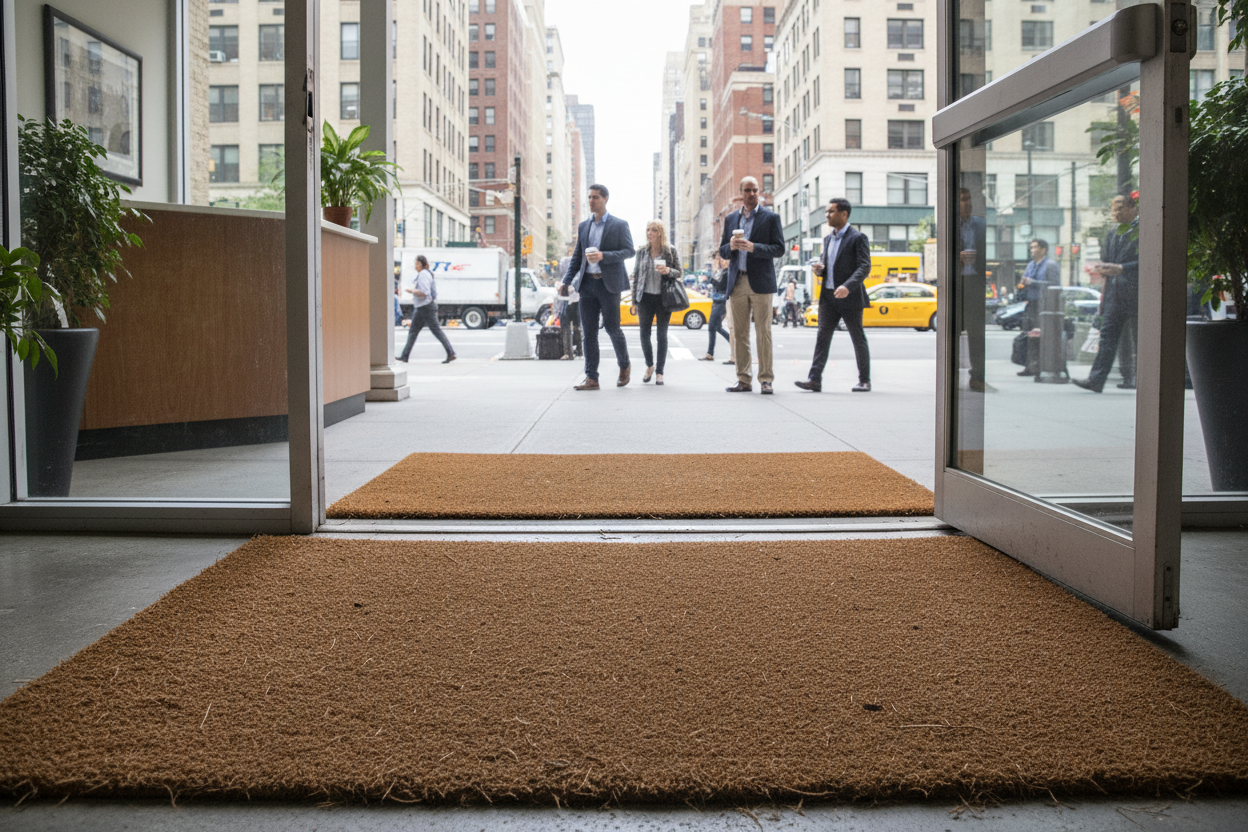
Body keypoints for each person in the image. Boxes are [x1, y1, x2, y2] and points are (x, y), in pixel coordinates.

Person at [560, 184, 634, 390]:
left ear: (605, 199)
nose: (591, 201)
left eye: (595, 197)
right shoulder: (584, 226)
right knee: (589, 333)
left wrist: (604, 256)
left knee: (612, 328)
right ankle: (592, 378)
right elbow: (577, 257)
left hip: (608, 284)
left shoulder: (619, 225)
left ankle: (624, 364)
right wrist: (566, 281)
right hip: (587, 285)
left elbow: (629, 251)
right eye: (589, 197)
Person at [795, 198, 872, 393]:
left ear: (844, 214)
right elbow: (828, 266)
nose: (827, 215)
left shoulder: (857, 237)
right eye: (827, 212)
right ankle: (814, 380)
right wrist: (820, 270)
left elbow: (864, 266)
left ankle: (864, 380)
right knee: (822, 337)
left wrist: (848, 286)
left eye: (831, 211)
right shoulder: (827, 239)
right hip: (828, 298)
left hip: (850, 297)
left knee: (857, 337)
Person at [718, 176, 786, 394]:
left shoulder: (771, 218)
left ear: (760, 193)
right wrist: (731, 246)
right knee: (739, 333)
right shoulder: (730, 220)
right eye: (747, 190)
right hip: (737, 281)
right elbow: (723, 251)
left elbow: (779, 249)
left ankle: (766, 379)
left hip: (761, 283)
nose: (752, 193)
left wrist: (753, 247)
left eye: (755, 190)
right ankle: (744, 379)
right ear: (741, 193)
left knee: (763, 332)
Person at [1074, 193, 1140, 393]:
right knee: (1107, 340)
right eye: (1113, 208)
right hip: (1114, 295)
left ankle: (1138, 380)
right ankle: (1096, 380)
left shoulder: (1143, 229)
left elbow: (1148, 260)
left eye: (1119, 207)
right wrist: (1103, 268)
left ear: (1132, 208)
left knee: (1140, 340)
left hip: (1137, 294)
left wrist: (1122, 268)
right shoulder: (1112, 233)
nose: (1115, 212)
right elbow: (1106, 260)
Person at [630, 220, 682, 385]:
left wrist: (668, 271)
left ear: (660, 232)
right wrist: (634, 301)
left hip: (663, 298)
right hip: (645, 297)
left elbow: (679, 272)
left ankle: (660, 372)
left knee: (662, 335)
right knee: (644, 334)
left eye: (653, 230)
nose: (649, 233)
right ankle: (650, 365)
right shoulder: (642, 252)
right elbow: (636, 276)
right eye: (647, 230)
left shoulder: (670, 251)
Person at [957, 186, 991, 393]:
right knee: (952, 332)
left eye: (969, 199)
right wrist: (958, 257)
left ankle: (977, 377)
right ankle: (949, 377)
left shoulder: (982, 224)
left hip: (975, 285)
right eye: (962, 200)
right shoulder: (946, 225)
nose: (967, 203)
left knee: (977, 333)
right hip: (955, 286)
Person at [397, 255, 456, 364]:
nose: (415, 266)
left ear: (421, 264)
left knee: (434, 330)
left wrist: (412, 290)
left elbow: (424, 292)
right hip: (423, 307)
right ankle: (405, 356)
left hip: (425, 307)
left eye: (416, 264)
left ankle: (451, 353)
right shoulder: (426, 274)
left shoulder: (423, 274)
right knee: (414, 331)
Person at [700, 254, 732, 361]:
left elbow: (721, 286)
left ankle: (711, 353)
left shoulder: (728, 272)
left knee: (712, 326)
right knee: (716, 327)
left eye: (723, 260)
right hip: (717, 301)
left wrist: (711, 279)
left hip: (721, 302)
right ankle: (711, 353)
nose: (721, 262)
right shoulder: (721, 272)